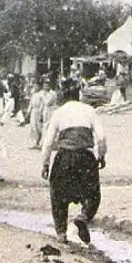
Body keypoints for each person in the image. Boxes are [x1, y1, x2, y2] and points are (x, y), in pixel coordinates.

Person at [40, 78, 107, 245]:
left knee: (58, 195)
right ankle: (82, 217)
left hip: (64, 157)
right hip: (85, 157)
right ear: (79, 94)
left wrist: (45, 164)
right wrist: (101, 156)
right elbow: (102, 137)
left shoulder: (58, 112)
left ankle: (61, 233)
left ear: (63, 95)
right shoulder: (89, 111)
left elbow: (47, 143)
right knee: (92, 193)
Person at [27, 77, 54, 149]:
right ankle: (35, 142)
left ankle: (41, 142)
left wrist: (40, 113)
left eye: (37, 85)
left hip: (41, 111)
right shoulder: (34, 94)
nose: (35, 87)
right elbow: (31, 103)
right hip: (34, 111)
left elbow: (45, 103)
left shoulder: (45, 94)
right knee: (33, 127)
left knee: (40, 128)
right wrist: (28, 112)